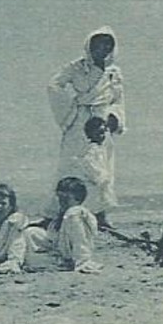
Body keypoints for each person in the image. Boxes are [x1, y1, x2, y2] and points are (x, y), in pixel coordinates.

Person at [48, 29, 125, 207]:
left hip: (101, 123)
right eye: (98, 45)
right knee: (73, 163)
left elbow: (118, 98)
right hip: (79, 121)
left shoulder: (114, 72)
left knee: (101, 166)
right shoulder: (76, 67)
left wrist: (114, 116)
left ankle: (100, 210)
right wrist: (71, 107)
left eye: (107, 45)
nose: (102, 49)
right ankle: (63, 208)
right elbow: (54, 85)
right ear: (89, 46)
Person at [26, 176, 103, 274]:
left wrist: (82, 260)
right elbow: (52, 236)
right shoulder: (63, 212)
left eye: (66, 198)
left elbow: (81, 241)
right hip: (61, 251)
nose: (61, 201)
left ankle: (77, 262)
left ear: (78, 198)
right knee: (31, 232)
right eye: (60, 197)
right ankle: (57, 262)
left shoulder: (78, 213)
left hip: (76, 254)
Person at [74, 115, 117, 228]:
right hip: (93, 180)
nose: (101, 136)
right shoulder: (91, 149)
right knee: (94, 201)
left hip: (99, 179)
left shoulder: (100, 147)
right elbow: (88, 163)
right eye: (98, 133)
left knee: (102, 201)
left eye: (103, 132)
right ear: (90, 134)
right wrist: (99, 176)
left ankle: (101, 219)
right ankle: (94, 220)